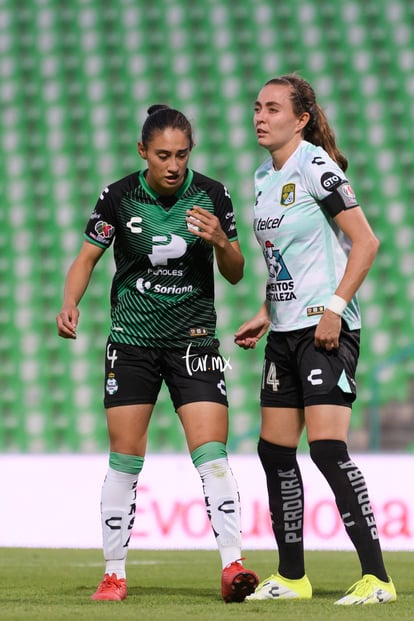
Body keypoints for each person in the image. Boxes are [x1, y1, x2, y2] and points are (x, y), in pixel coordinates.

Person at [56, 104, 258, 603]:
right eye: (163, 155)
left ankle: (233, 566)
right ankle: (114, 573)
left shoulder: (212, 194)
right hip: (131, 343)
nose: (173, 165)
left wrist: (219, 241)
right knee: (125, 459)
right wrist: (69, 302)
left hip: (195, 342)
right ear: (142, 151)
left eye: (182, 155)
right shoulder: (119, 196)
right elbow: (87, 257)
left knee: (212, 456)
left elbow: (235, 271)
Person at [234, 74, 396, 605]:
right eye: (257, 107)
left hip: (326, 329)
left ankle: (378, 578)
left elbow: (365, 242)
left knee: (327, 449)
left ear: (300, 119)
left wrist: (334, 308)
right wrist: (265, 310)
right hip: (283, 332)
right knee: (274, 452)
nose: (260, 116)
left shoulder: (314, 165)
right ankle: (293, 577)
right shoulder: (263, 176)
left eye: (273, 108)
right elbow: (289, 257)